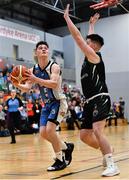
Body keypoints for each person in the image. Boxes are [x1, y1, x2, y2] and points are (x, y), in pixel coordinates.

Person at [64, 5, 120, 177]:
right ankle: (108, 149)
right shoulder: (89, 56)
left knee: (97, 130)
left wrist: (67, 18)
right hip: (88, 101)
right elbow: (87, 39)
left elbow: (80, 39)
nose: (85, 43)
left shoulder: (95, 57)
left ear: (94, 46)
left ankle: (111, 163)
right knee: (84, 135)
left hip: (100, 97)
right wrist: (91, 24)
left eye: (89, 42)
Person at [13, 41, 74, 171]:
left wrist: (36, 79)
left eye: (46, 48)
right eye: (40, 48)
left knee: (50, 130)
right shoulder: (32, 70)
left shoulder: (54, 67)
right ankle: (66, 147)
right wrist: (15, 83)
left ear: (49, 52)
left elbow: (53, 84)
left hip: (58, 101)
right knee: (43, 133)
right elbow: (26, 88)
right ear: (36, 52)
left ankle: (59, 160)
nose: (43, 49)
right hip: (46, 105)